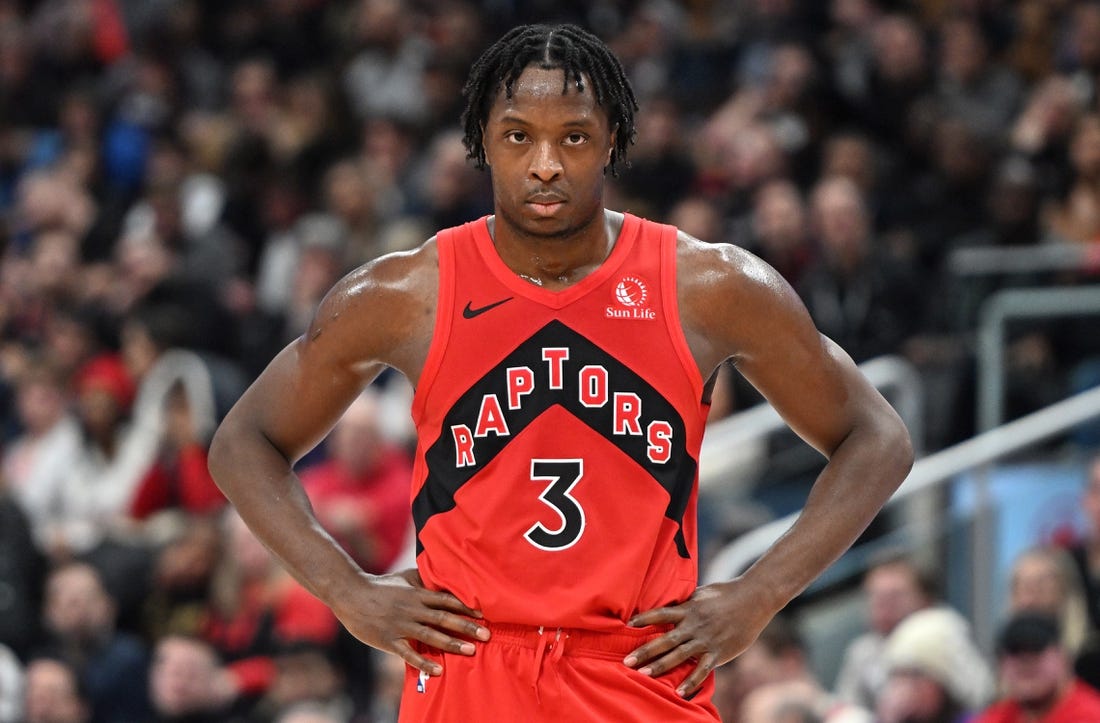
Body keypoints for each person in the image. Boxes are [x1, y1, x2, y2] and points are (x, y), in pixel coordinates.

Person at [208, 23, 913, 722]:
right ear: (483, 141)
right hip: (470, 666)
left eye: (573, 136)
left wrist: (760, 593)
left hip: (636, 666)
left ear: (613, 140)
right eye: (518, 135)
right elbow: (244, 444)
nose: (545, 163)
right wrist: (349, 592)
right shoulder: (405, 294)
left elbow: (876, 437)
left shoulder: (708, 284)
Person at [833, 553, 937, 710]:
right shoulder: (862, 652)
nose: (883, 605)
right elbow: (846, 710)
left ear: (924, 599)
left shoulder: (943, 641)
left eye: (895, 595)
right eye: (876, 596)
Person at [973, 612, 1100, 723]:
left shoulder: (1090, 716)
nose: (1025, 662)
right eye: (1015, 652)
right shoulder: (999, 716)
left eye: (1036, 650)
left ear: (1063, 658)